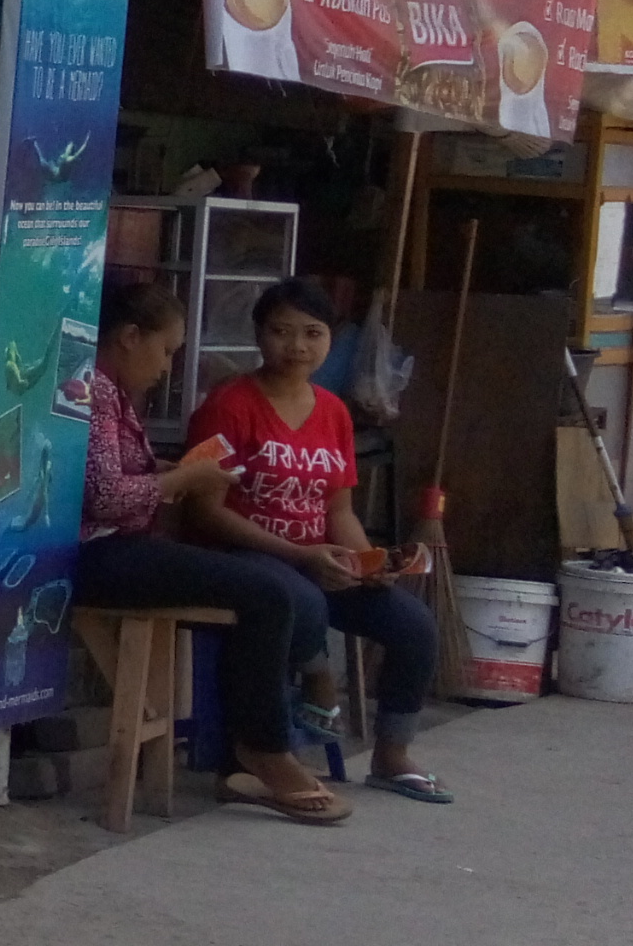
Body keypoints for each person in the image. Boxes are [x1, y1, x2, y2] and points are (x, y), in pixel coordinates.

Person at [65, 275, 349, 824]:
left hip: (123, 544)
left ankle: (246, 751)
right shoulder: (94, 389)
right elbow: (103, 499)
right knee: (266, 592)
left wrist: (175, 472)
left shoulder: (112, 393)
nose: (167, 366)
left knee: (266, 594)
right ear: (129, 337)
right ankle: (262, 749)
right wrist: (185, 479)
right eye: (166, 350)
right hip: (99, 553)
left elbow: (115, 476)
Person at [185, 276, 446, 801]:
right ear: (259, 335)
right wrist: (300, 554)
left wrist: (366, 561)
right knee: (298, 599)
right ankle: (312, 688)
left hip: (317, 560)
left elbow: (339, 509)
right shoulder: (228, 404)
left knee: (413, 625)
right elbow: (204, 511)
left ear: (330, 338)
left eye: (313, 333)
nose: (297, 347)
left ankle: (392, 756)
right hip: (247, 558)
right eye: (281, 332)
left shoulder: (333, 411)